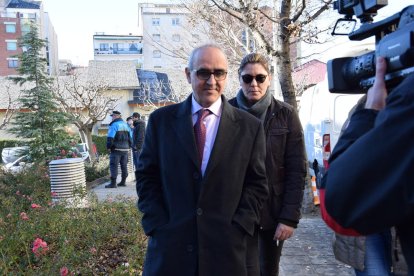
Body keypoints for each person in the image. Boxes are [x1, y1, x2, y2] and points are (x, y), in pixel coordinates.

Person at [136, 44, 268, 276]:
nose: (211, 81)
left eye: (219, 73)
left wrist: (240, 226)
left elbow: (257, 184)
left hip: (225, 251)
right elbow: (147, 176)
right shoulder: (161, 121)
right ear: (188, 74)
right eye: (203, 72)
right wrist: (156, 224)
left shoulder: (250, 127)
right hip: (170, 250)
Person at [322, 56, 414, 274]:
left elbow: (336, 196)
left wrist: (369, 116)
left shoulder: (388, 104)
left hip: (386, 211)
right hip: (369, 221)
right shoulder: (363, 106)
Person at [229, 53, 306, 276]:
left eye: (260, 78)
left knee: (267, 271)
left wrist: (289, 218)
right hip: (235, 212)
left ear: (269, 79)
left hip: (272, 213)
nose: (254, 84)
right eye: (247, 78)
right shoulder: (227, 111)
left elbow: (296, 169)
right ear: (239, 79)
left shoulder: (286, 114)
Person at [105, 110, 132, 188]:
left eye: (113, 116)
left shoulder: (114, 125)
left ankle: (113, 183)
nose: (112, 118)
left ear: (117, 116)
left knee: (114, 165)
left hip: (116, 149)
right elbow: (131, 138)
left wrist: (109, 147)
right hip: (125, 149)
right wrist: (129, 147)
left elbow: (110, 138)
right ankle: (123, 182)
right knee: (124, 166)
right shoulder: (126, 125)